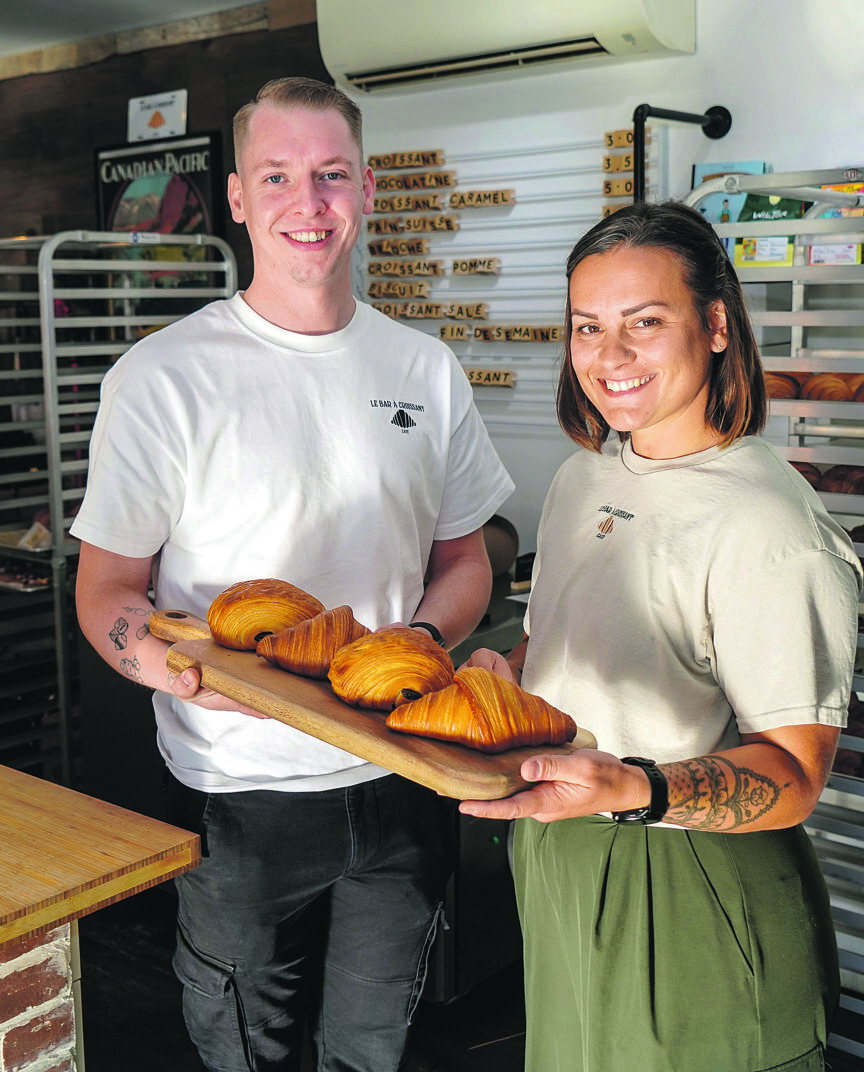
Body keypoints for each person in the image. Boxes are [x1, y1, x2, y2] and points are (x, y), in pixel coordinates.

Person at [72, 76, 514, 1072]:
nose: (306, 205)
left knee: (373, 1046)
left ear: (364, 188)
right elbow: (106, 588)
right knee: (243, 1045)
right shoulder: (163, 377)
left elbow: (466, 559)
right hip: (239, 796)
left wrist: (426, 641)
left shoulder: (424, 368)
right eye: (277, 176)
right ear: (236, 196)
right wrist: (158, 664)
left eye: (329, 175)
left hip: (402, 768)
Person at [459, 201, 861, 1072]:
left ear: (717, 324)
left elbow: (793, 777)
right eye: (587, 328)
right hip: (562, 850)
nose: (610, 358)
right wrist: (510, 676)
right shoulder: (582, 477)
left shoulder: (767, 525)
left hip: (690, 883)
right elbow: (561, 638)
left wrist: (626, 787)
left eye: (645, 323)